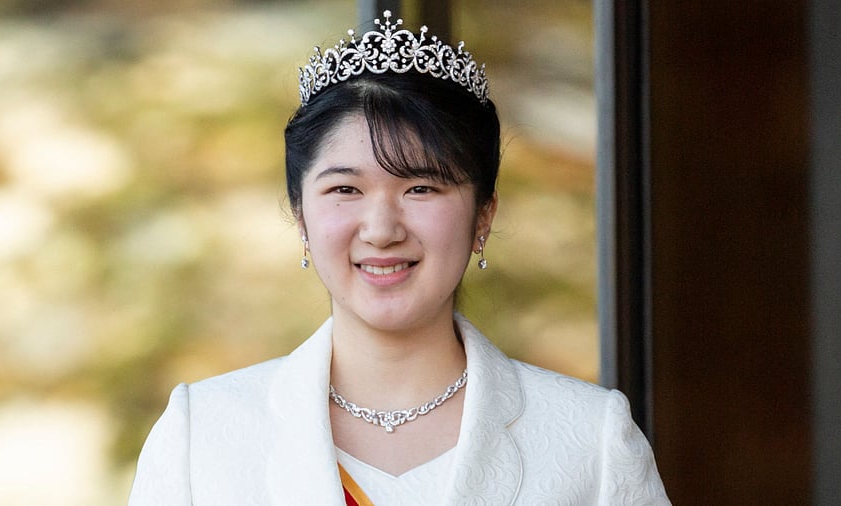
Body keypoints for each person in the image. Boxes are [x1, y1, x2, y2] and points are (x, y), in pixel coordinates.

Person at [128, 11, 671, 505]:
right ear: (301, 217)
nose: (382, 230)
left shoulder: (590, 439)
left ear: (483, 214)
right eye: (345, 190)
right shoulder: (204, 433)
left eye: (421, 188)